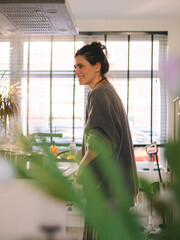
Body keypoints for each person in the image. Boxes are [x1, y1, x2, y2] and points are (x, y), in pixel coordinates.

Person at [74, 42, 138, 240]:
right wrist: (81, 152)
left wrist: (81, 168)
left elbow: (99, 142)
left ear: (97, 66)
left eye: (81, 66)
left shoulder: (99, 94)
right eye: (75, 67)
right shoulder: (107, 91)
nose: (76, 71)